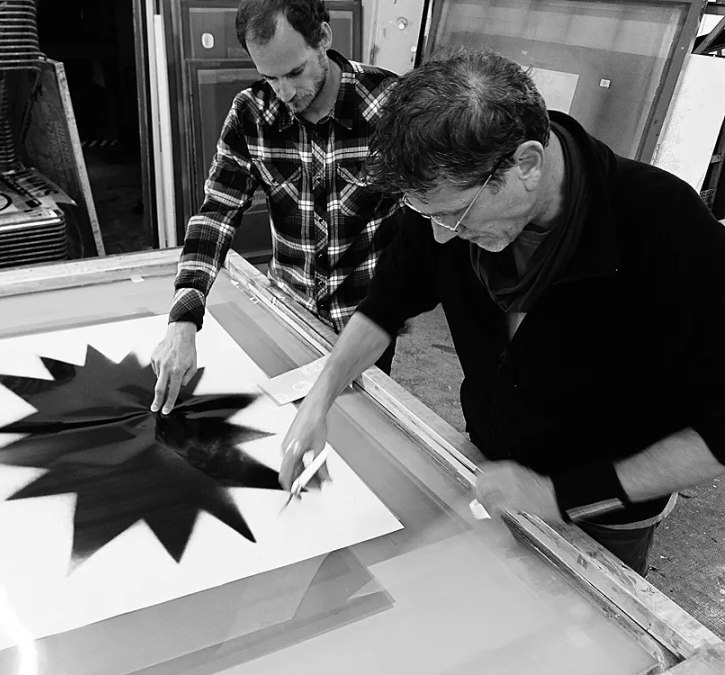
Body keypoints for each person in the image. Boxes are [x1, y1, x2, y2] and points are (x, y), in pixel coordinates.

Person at [279, 48, 725, 576]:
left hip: (606, 509)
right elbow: (384, 306)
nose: (441, 235)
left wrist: (556, 494)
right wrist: (320, 398)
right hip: (491, 471)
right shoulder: (444, 199)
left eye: (456, 214)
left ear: (527, 164)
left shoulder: (663, 224)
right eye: (428, 214)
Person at [150, 0, 402, 415]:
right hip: (289, 314)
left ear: (323, 38)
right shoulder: (251, 114)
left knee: (359, 430)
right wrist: (183, 318)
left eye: (295, 72)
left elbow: (426, 220)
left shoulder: (389, 106)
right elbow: (216, 214)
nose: (284, 92)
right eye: (270, 77)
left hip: (367, 323)